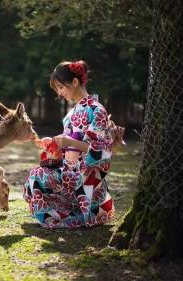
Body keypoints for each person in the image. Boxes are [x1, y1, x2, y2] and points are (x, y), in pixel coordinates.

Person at [23, 60, 125, 229]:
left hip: (87, 176)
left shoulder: (97, 110)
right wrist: (54, 143)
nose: (59, 93)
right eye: (57, 89)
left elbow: (104, 152)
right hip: (68, 170)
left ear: (75, 82)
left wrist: (70, 142)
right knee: (36, 175)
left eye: (61, 87)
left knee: (40, 177)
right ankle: (61, 214)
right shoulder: (71, 114)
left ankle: (81, 214)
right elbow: (67, 145)